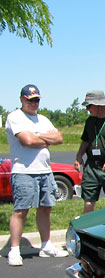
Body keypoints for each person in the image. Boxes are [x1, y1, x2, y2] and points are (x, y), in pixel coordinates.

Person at [5, 84, 69, 266]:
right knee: (21, 210)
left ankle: (46, 246)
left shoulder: (42, 119)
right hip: (24, 171)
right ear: (22, 100)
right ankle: (14, 250)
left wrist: (38, 135)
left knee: (45, 208)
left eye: (36, 100)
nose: (34, 104)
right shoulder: (15, 117)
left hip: (45, 171)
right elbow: (27, 141)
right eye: (30, 100)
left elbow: (59, 138)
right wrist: (43, 138)